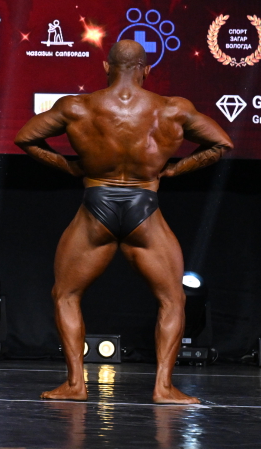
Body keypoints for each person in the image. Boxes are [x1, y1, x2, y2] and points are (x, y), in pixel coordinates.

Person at [14, 39, 233, 404]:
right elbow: (221, 143)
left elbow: (26, 137)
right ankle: (163, 387)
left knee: (66, 295)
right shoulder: (172, 109)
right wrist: (175, 170)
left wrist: (69, 167)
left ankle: (76, 384)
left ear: (106, 67)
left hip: (95, 206)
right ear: (147, 69)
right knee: (173, 299)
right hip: (144, 206)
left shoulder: (78, 106)